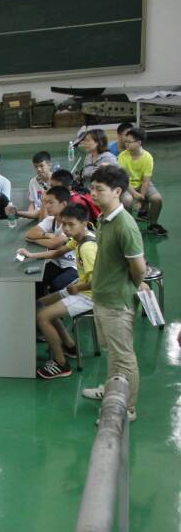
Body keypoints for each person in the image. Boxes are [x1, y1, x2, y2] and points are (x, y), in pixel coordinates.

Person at [80, 164, 147, 421]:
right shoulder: (103, 217)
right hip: (102, 296)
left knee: (124, 356)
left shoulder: (125, 225)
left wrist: (129, 286)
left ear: (117, 191)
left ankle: (127, 407)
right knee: (113, 353)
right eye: (92, 188)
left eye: (99, 189)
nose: (93, 193)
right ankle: (112, 390)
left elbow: (138, 268)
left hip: (117, 302)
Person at [20, 205, 98, 380]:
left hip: (90, 296)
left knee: (42, 317)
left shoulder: (87, 247)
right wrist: (31, 255)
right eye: (64, 224)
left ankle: (61, 364)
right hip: (81, 289)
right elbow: (57, 252)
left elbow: (98, 282)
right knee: (40, 304)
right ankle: (69, 345)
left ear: (84, 223)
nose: (66, 229)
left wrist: (77, 288)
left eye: (71, 225)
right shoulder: (78, 239)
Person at [24, 186, 78, 296]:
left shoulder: (71, 224)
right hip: (57, 262)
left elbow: (53, 244)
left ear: (64, 204)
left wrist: (34, 240)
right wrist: (46, 235)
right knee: (36, 281)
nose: (47, 206)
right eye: (45, 202)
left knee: (56, 285)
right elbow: (29, 233)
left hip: (73, 265)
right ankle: (38, 304)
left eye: (51, 202)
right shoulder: (50, 220)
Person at [118, 126, 166, 236]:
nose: (126, 144)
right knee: (127, 200)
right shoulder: (122, 156)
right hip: (127, 185)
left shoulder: (148, 157)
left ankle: (153, 225)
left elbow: (146, 180)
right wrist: (135, 194)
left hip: (141, 184)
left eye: (129, 142)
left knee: (157, 199)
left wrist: (141, 199)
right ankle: (130, 227)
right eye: (125, 142)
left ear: (139, 142)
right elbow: (124, 179)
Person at [20, 151, 53, 219]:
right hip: (36, 216)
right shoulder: (33, 182)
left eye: (41, 165)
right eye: (36, 166)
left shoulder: (57, 181)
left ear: (49, 165)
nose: (38, 169)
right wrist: (29, 215)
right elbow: (32, 203)